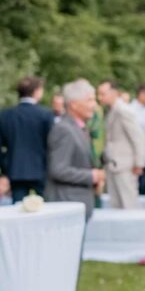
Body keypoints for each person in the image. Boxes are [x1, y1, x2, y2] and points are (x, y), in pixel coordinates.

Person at [46, 79, 105, 220]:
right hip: (67, 206)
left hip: (77, 205)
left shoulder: (78, 128)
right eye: (90, 100)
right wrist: (92, 176)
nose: (94, 105)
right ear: (74, 104)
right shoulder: (64, 129)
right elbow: (58, 170)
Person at [0, 76, 55, 202]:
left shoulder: (6, 116)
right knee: (47, 207)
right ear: (36, 92)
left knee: (18, 208)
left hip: (15, 170)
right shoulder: (45, 115)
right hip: (42, 170)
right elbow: (52, 144)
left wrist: (5, 167)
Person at [97, 80, 145, 209]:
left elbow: (138, 137)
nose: (100, 97)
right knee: (117, 204)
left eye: (103, 94)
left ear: (114, 93)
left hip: (125, 165)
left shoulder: (123, 110)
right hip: (114, 164)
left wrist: (139, 163)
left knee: (129, 204)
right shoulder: (112, 110)